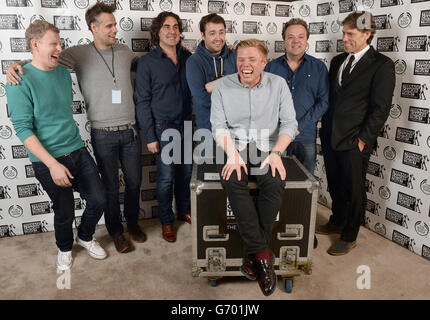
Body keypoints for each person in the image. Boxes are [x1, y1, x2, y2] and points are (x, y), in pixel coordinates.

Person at [6, 3, 146, 254]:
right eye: (110, 25)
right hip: (97, 137)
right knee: (100, 194)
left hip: (121, 134)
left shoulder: (123, 51)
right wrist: (15, 65)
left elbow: (150, 67)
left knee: (128, 185)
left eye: (116, 24)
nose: (115, 29)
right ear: (94, 27)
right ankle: (105, 236)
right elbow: (42, 64)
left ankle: (123, 226)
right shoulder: (77, 54)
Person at [5, 20, 107, 270]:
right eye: (54, 44)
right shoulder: (17, 79)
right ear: (35, 44)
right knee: (64, 211)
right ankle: (64, 248)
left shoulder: (62, 71)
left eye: (60, 44)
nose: (60, 48)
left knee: (98, 199)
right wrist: (52, 164)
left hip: (77, 149)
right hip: (47, 160)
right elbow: (22, 129)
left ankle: (84, 236)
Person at [210, 39, 297, 296]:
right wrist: (233, 154)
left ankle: (252, 256)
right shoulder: (222, 86)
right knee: (234, 180)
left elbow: (290, 124)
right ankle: (262, 256)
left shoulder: (278, 84)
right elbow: (218, 126)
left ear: (263, 62)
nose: (245, 65)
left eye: (251, 60)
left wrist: (277, 153)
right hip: (231, 145)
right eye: (240, 59)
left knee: (274, 182)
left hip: (266, 146)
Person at [318, 11, 395, 255]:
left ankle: (350, 235)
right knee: (335, 183)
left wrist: (363, 140)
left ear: (367, 34)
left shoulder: (382, 65)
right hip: (331, 136)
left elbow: (380, 109)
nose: (344, 38)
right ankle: (337, 221)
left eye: (349, 34)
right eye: (343, 33)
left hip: (354, 141)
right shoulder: (338, 60)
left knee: (353, 189)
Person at [265, 18, 329, 249]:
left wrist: (299, 125)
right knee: (274, 184)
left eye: (300, 36)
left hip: (305, 137)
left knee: (304, 187)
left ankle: (304, 228)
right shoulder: (270, 67)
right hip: (276, 138)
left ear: (307, 40)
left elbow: (323, 102)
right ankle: (276, 228)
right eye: (291, 36)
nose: (295, 41)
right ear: (284, 40)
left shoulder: (318, 68)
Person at [135, 12, 193, 243]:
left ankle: (184, 210)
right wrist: (150, 135)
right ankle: (166, 221)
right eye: (167, 26)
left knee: (186, 173)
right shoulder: (147, 62)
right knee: (166, 177)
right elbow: (142, 101)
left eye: (176, 26)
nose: (172, 31)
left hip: (187, 124)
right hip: (163, 127)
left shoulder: (189, 57)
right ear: (157, 32)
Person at [186, 13, 237, 133]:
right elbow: (201, 99)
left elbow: (246, 87)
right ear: (203, 35)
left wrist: (214, 85)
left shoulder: (235, 55)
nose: (218, 38)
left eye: (221, 32)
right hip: (208, 128)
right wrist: (232, 84)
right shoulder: (194, 62)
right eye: (212, 33)